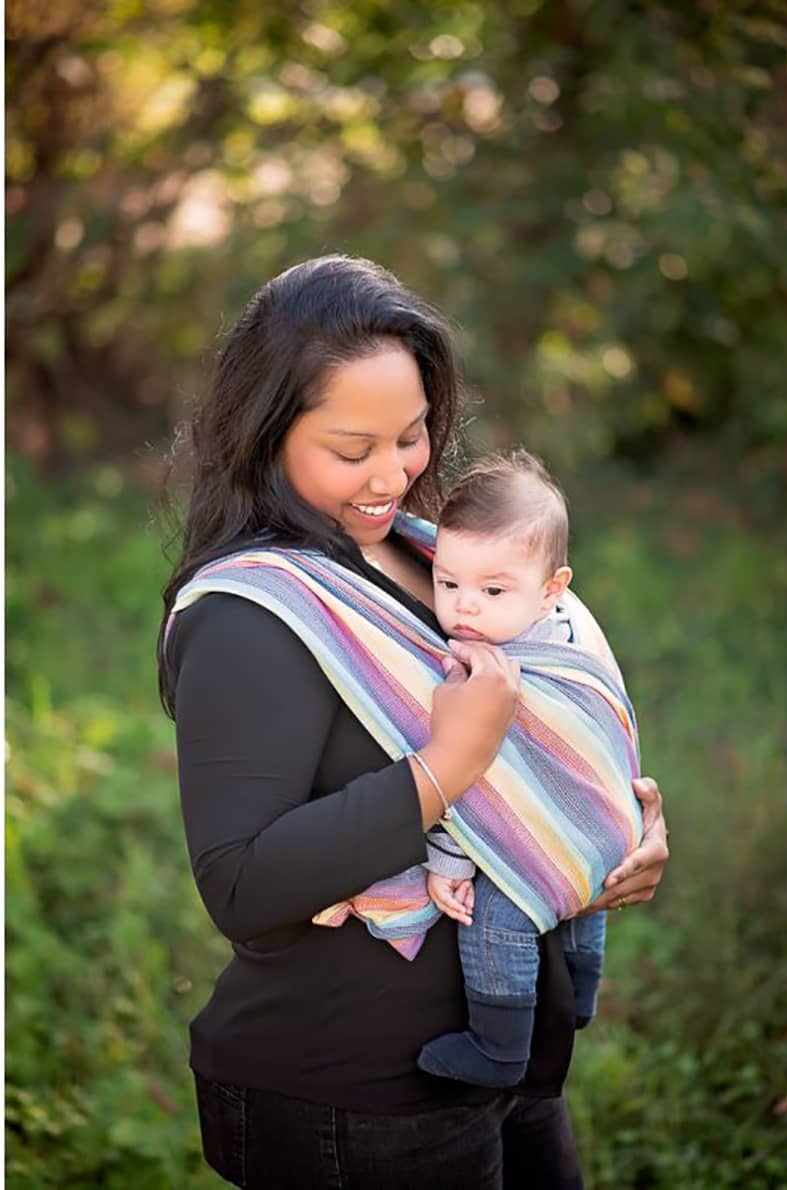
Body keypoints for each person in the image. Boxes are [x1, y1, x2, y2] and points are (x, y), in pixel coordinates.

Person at [158, 254, 669, 1190]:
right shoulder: (246, 615)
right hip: (357, 1096)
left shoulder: (433, 559)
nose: (392, 475)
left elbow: (551, 720)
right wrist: (449, 764)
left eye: (413, 434)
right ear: (266, 434)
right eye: (352, 450)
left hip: (507, 1052)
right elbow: (240, 886)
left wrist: (609, 831)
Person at [418, 449, 621, 1089]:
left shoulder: (492, 670)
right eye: (448, 584)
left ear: (553, 587)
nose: (465, 609)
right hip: (605, 828)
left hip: (569, 821)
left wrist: (448, 862)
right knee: (584, 895)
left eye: (492, 590)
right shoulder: (567, 630)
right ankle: (582, 993)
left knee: (498, 907)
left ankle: (499, 1046)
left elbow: (473, 780)